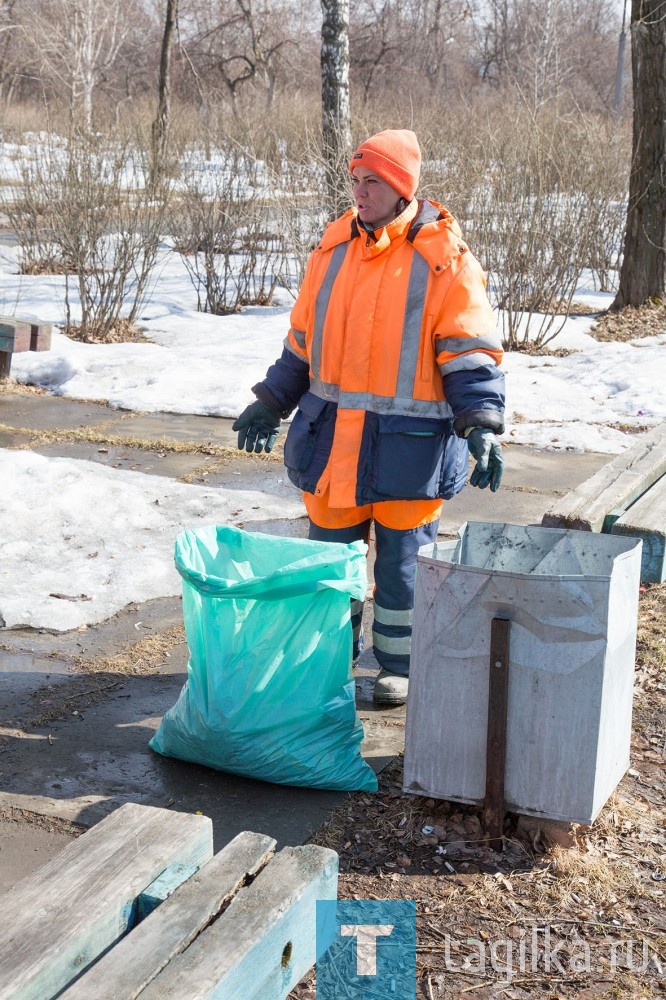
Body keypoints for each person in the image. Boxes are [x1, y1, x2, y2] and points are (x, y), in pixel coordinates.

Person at [233, 128, 505, 706]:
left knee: (405, 569)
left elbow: (468, 351)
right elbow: (303, 344)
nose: (360, 191)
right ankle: (327, 660)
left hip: (412, 449)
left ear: (402, 187)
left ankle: (399, 666)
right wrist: (270, 399)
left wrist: (480, 422)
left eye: (372, 181)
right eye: (355, 180)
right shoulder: (331, 251)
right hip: (333, 444)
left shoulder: (445, 262)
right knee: (330, 564)